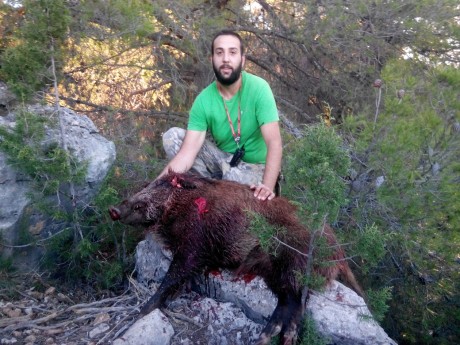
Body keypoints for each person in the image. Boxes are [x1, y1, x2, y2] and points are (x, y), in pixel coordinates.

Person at [158, 29, 282, 201]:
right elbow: (187, 153)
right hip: (223, 163)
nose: (225, 59)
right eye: (219, 53)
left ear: (242, 60)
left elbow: (274, 142)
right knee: (172, 137)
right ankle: (204, 194)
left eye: (232, 52)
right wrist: (154, 188)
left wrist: (267, 186)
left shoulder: (259, 88)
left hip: (256, 170)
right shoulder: (203, 100)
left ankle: (213, 193)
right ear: (212, 60)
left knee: (232, 182)